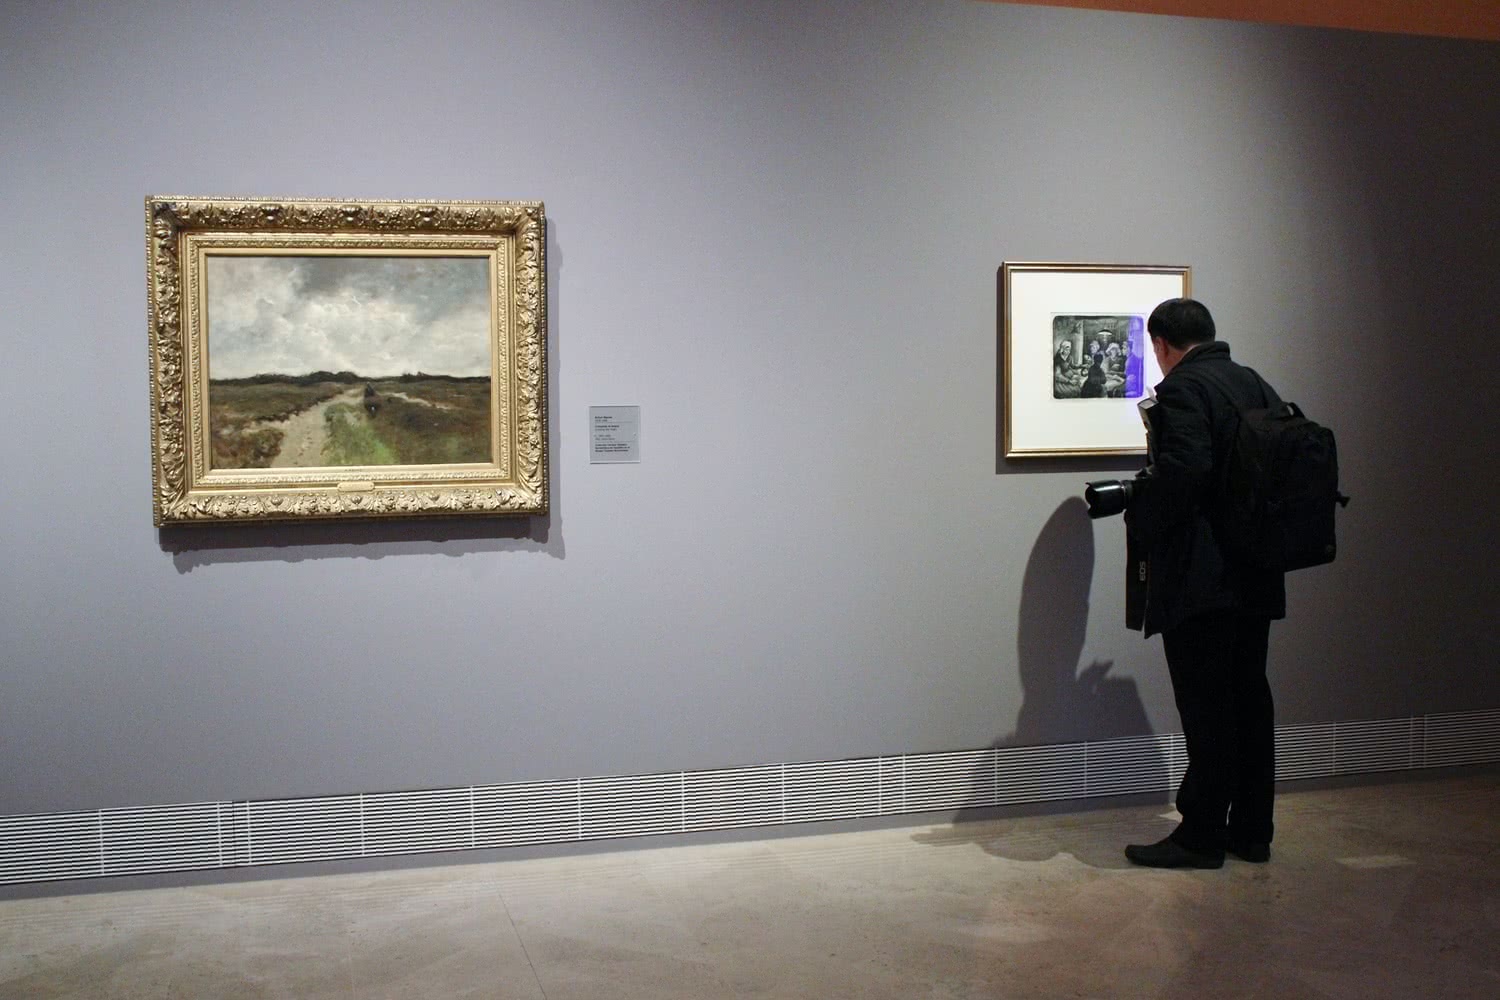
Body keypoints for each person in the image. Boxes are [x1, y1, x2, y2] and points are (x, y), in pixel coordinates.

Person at [1121, 298, 1286, 869]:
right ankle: (1252, 831)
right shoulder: (1254, 383)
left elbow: (1186, 471)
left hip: (1203, 578)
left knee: (1207, 703)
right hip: (1257, 570)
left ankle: (1201, 835)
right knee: (1249, 699)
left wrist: (1141, 514)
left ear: (1161, 345)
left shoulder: (1184, 390)